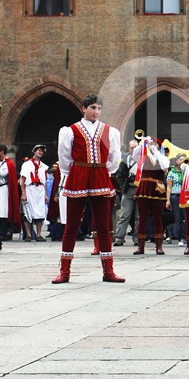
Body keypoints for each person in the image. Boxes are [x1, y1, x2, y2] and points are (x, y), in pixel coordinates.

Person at [53, 94, 124, 284]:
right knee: (72, 225)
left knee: (104, 226)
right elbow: (64, 156)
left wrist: (105, 171)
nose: (96, 111)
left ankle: (108, 271)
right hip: (79, 174)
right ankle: (64, 271)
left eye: (99, 108)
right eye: (93, 107)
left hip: (100, 174)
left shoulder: (109, 131)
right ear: (84, 109)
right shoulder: (70, 130)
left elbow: (114, 157)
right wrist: (73, 171)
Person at [132, 137, 170, 255]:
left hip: (157, 188)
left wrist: (156, 151)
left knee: (157, 217)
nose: (152, 145)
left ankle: (159, 246)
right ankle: (140, 246)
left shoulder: (162, 157)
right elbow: (134, 154)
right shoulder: (143, 156)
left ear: (159, 146)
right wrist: (142, 143)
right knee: (142, 217)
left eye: (155, 144)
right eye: (151, 143)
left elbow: (165, 166)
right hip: (144, 187)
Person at [20, 144, 49, 241]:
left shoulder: (43, 166)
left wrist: (45, 194)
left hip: (40, 190)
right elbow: (22, 180)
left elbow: (44, 181)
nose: (40, 152)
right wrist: (23, 193)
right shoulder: (27, 165)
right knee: (28, 212)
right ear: (34, 151)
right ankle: (28, 235)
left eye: (42, 151)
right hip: (30, 188)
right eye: (39, 150)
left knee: (40, 212)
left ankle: (39, 235)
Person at [113, 140, 139, 246]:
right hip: (128, 190)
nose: (134, 149)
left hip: (140, 190)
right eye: (132, 147)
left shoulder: (144, 159)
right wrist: (123, 187)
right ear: (129, 149)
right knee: (124, 214)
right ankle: (119, 238)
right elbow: (119, 175)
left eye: (136, 147)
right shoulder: (125, 160)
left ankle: (137, 238)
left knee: (139, 216)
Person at [0, 144, 21, 248]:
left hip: (3, 189)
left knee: (3, 211)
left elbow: (3, 173)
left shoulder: (8, 163)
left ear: (2, 152)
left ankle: (4, 233)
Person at [166, 153, 187, 245]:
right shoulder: (172, 172)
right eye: (180, 160)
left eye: (184, 160)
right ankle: (180, 238)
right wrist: (168, 200)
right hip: (176, 196)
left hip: (186, 196)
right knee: (178, 218)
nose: (182, 162)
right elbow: (169, 187)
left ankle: (188, 237)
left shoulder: (187, 171)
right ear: (176, 161)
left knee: (187, 217)